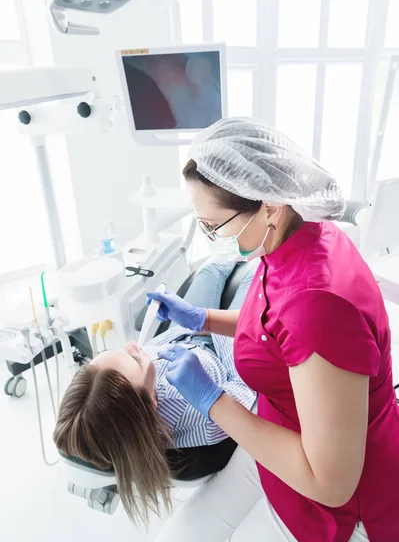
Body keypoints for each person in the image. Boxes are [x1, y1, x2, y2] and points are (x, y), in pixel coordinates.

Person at [148, 117, 399, 542]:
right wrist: (202, 317)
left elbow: (332, 483)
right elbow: (272, 328)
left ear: (269, 205)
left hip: (331, 494)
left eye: (214, 225)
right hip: (280, 429)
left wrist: (214, 402)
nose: (210, 235)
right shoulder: (293, 235)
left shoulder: (320, 307)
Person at [53, 259, 256, 526]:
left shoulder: (128, 397)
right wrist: (208, 323)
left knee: (211, 269)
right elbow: (246, 388)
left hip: (186, 333)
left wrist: (189, 319)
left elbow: (148, 349)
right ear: (151, 402)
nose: (132, 346)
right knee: (253, 273)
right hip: (224, 349)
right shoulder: (201, 418)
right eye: (135, 360)